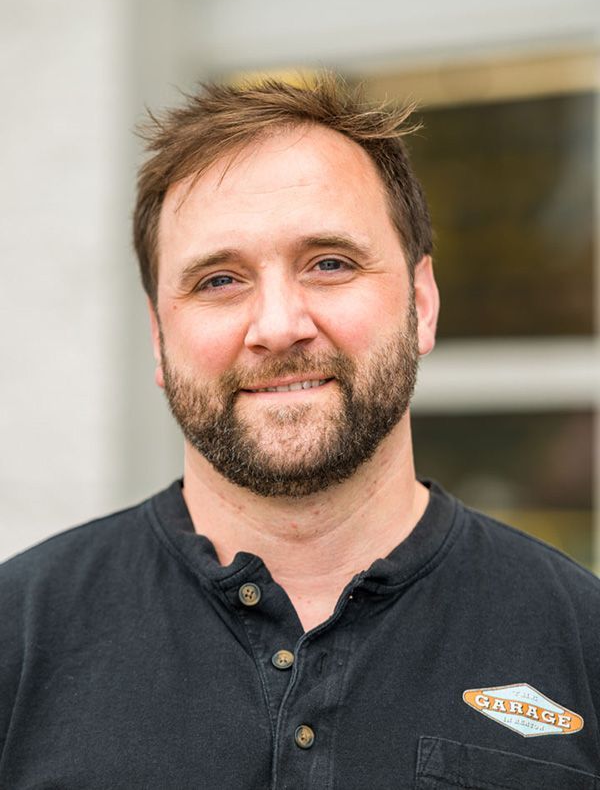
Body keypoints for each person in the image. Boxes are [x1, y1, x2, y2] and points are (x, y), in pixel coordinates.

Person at [1, 75, 599, 789]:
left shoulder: (580, 642)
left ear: (423, 301)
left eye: (330, 264)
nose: (280, 325)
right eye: (219, 280)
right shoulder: (19, 637)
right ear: (159, 341)